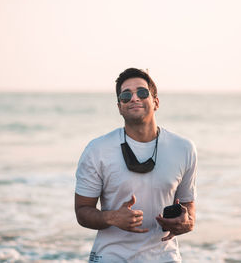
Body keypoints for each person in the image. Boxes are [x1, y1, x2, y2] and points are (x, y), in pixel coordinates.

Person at [74, 68, 197, 262]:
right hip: (110, 256)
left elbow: (189, 209)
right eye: (125, 95)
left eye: (142, 92)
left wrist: (185, 223)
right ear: (119, 106)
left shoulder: (183, 148)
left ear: (155, 102)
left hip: (165, 257)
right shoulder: (97, 149)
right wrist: (111, 218)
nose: (134, 98)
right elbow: (82, 211)